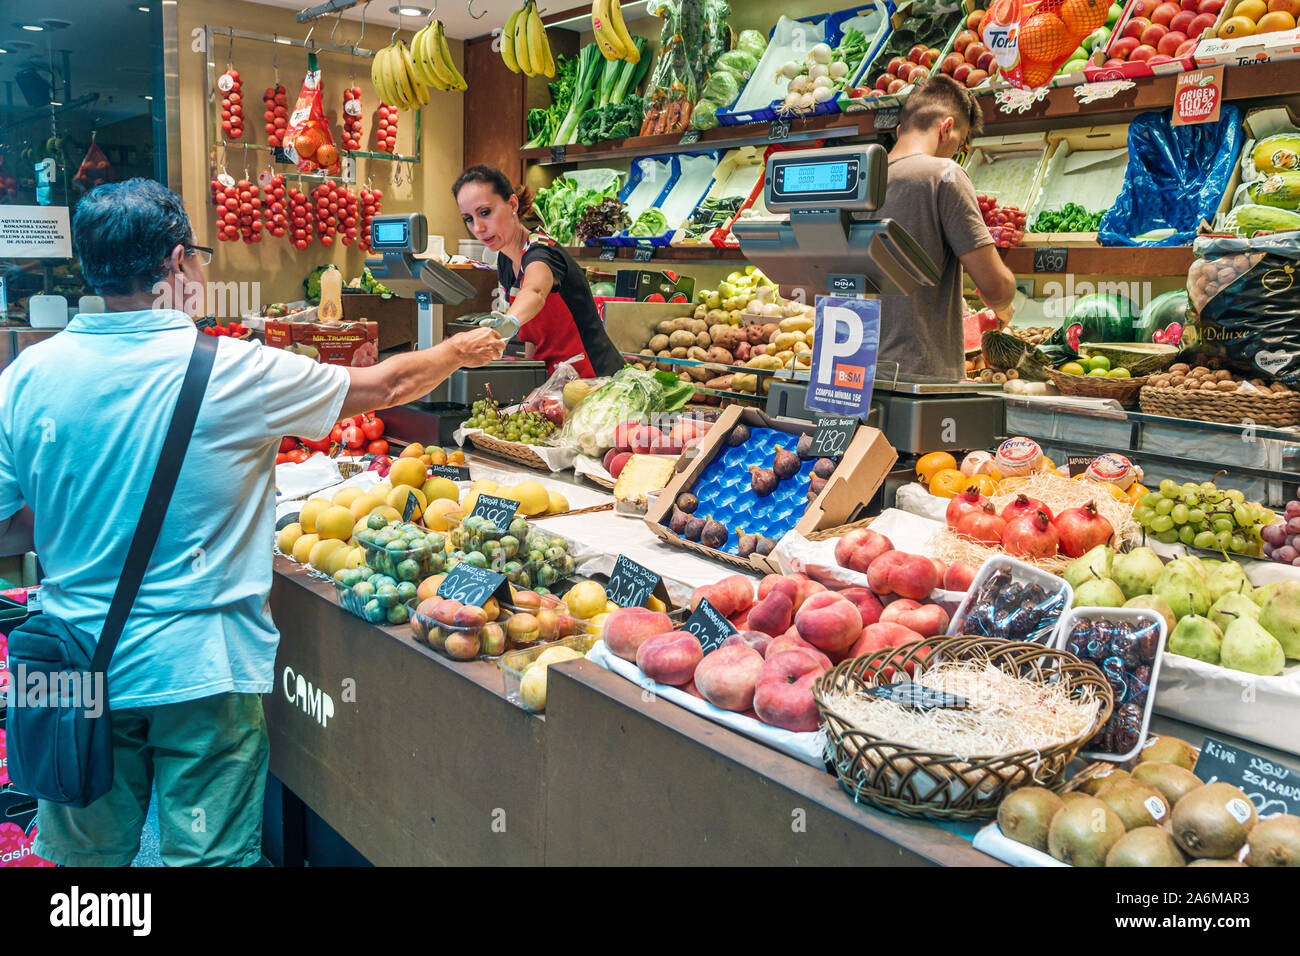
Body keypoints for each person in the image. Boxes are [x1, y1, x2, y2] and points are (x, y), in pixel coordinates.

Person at [0, 178, 504, 866]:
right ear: (178, 264)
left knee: (85, 871)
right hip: (199, 670)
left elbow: (7, 531)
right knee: (207, 860)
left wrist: (85, 512)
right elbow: (384, 387)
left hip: (71, 663)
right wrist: (460, 351)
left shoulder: (25, 376)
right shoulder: (232, 370)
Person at [875, 74, 1018, 383]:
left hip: (849, 376)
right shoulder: (944, 174)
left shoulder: (859, 178)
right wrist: (1004, 302)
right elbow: (995, 287)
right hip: (919, 377)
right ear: (946, 128)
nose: (956, 153)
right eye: (960, 144)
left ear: (902, 130)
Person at [453, 164, 624, 378]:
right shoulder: (505, 260)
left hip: (593, 379)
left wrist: (509, 321)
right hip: (554, 382)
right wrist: (527, 376)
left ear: (512, 204)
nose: (478, 227)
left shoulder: (541, 251)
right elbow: (532, 337)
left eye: (485, 212)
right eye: (469, 218)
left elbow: (534, 291)